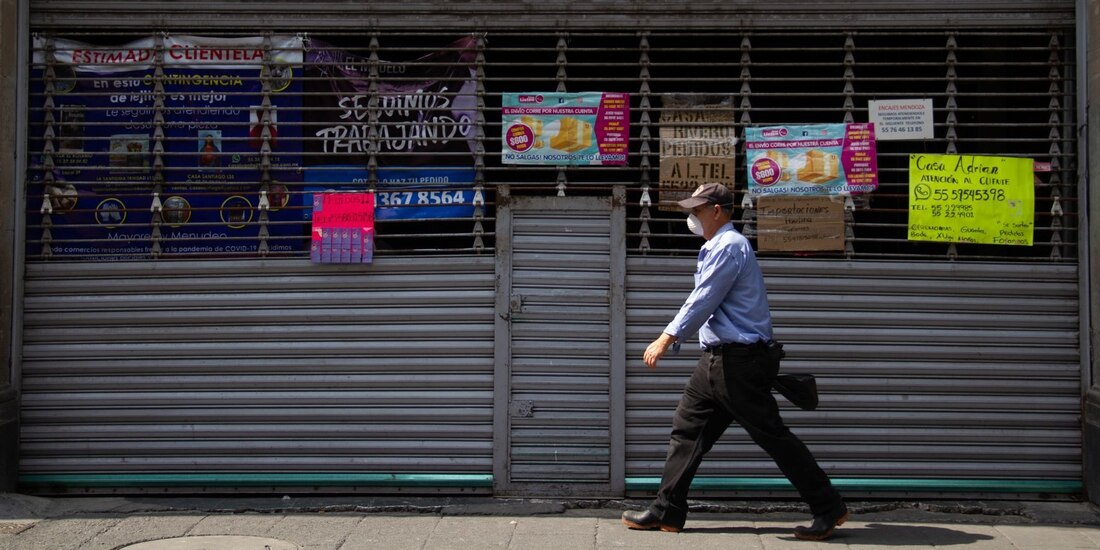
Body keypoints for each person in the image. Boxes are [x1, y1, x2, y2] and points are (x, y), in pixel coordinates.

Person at [621, 182, 848, 541]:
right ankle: (667, 510)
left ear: (717, 211)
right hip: (716, 361)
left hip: (738, 363)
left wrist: (667, 337)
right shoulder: (716, 246)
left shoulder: (728, 246)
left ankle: (828, 505)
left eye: (697, 211)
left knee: (772, 436)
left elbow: (704, 298)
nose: (692, 218)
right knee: (687, 430)